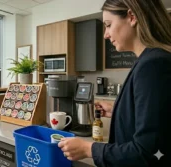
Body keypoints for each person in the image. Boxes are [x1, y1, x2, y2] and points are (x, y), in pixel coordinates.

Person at [58, 0, 171, 166]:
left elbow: (145, 152)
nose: (105, 34)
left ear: (132, 17)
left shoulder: (153, 65)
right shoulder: (151, 61)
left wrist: (88, 149)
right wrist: (118, 110)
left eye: (108, 25)